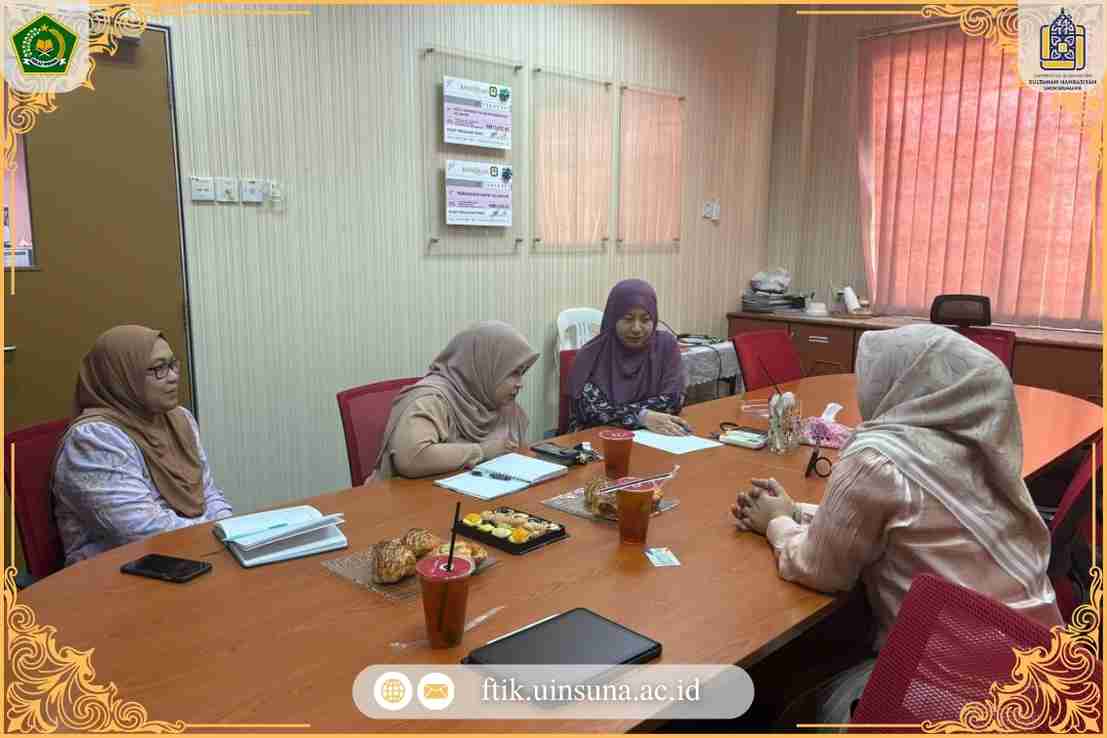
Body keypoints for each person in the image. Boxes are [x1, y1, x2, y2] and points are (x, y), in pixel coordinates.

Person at [731, 324, 1062, 724]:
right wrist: (798, 509)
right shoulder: (983, 450)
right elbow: (914, 518)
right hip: (1044, 682)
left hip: (952, 702)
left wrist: (776, 522)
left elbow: (818, 569)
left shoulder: (877, 457)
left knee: (782, 697)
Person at [53, 326, 233, 566]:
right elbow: (141, 530)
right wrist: (216, 536)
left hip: (193, 553)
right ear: (120, 377)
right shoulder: (95, 439)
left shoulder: (179, 419)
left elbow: (208, 492)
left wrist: (231, 531)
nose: (173, 376)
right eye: (158, 368)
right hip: (118, 571)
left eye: (172, 364)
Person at [373, 321, 539, 480]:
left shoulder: (500, 404)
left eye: (522, 373)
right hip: (411, 496)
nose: (520, 384)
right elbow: (412, 458)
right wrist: (481, 451)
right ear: (484, 366)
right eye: (513, 373)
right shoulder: (432, 399)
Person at [568, 279, 687, 434]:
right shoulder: (590, 356)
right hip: (597, 439)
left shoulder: (665, 345)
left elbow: (673, 400)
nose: (636, 328)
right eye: (628, 319)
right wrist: (642, 416)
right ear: (613, 318)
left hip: (653, 437)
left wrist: (626, 414)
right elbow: (593, 413)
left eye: (645, 319)